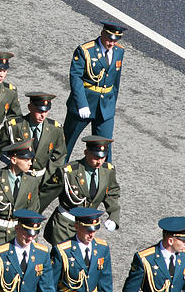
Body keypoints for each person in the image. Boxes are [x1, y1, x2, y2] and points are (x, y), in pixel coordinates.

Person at [63, 22, 126, 160]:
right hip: (85, 102)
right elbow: (76, 78)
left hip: (105, 107)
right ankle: (54, 176)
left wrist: (112, 104)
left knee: (104, 148)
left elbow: (115, 81)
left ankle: (104, 178)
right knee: (66, 144)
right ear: (102, 33)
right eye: (109, 39)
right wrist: (81, 104)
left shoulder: (119, 51)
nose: (111, 43)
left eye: (115, 40)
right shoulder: (85, 50)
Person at [42, 139, 120, 245]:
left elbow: (111, 193)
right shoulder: (68, 173)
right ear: (86, 152)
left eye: (103, 157)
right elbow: (45, 196)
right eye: (96, 157)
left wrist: (113, 216)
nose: (100, 161)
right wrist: (30, 220)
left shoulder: (108, 171)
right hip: (65, 226)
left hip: (87, 228)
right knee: (62, 259)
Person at [0, 140, 40, 248]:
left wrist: (33, 237)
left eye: (30, 159)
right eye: (26, 160)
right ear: (13, 160)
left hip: (18, 235)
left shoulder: (32, 181)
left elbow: (33, 212)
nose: (30, 163)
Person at [17, 91, 67, 187]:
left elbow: (59, 156)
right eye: (39, 111)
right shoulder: (16, 126)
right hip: (19, 177)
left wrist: (48, 177)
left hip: (42, 179)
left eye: (46, 111)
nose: (43, 115)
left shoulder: (55, 129)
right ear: (29, 107)